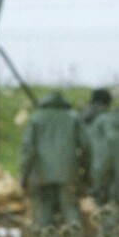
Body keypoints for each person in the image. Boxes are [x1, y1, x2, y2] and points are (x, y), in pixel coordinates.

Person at [19, 91, 86, 228]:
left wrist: (23, 176)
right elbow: (86, 145)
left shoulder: (36, 118)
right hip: (68, 172)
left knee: (44, 211)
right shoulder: (73, 117)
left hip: (41, 173)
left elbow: (27, 149)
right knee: (70, 209)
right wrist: (85, 170)